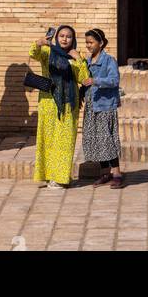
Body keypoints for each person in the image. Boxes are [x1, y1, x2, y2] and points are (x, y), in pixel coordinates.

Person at [29, 25, 91, 188]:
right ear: (56, 37)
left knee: (65, 141)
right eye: (62, 35)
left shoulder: (76, 55)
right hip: (48, 102)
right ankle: (48, 175)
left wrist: (78, 58)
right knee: (48, 139)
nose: (64, 39)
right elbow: (32, 53)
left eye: (68, 36)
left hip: (69, 104)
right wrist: (38, 43)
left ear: (73, 39)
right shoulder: (48, 52)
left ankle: (60, 177)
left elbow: (84, 79)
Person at [81, 28, 123, 188]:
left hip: (105, 106)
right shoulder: (88, 60)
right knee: (97, 140)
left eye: (91, 42)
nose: (88, 45)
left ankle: (117, 173)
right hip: (92, 106)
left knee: (107, 139)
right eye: (87, 42)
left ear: (101, 43)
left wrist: (95, 80)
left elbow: (114, 80)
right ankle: (105, 173)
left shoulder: (108, 60)